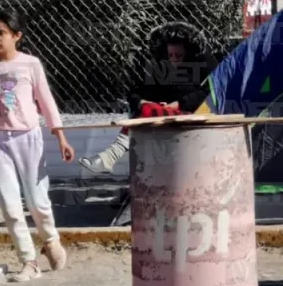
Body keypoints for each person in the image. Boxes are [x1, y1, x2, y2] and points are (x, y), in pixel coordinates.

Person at [0, 10, 74, 283]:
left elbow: (46, 100)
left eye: (1, 33)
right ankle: (29, 261)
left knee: (37, 200)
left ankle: (50, 240)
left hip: (27, 137)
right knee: (9, 203)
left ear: (17, 36)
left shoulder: (30, 65)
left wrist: (60, 136)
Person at [80, 22, 212, 175]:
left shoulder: (202, 68)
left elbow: (206, 93)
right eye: (170, 55)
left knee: (148, 111)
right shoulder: (162, 69)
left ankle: (110, 156)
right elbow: (137, 92)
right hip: (160, 116)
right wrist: (144, 102)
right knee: (146, 108)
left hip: (193, 117)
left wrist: (177, 104)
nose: (174, 59)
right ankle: (111, 159)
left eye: (179, 55)